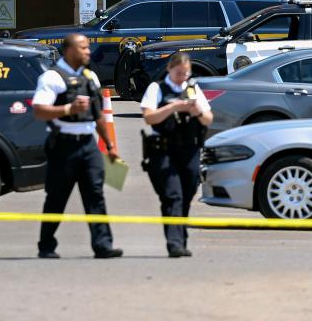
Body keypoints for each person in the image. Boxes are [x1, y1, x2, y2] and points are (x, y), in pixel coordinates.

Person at [33, 33, 123, 259]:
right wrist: (67, 110)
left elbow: (98, 114)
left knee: (95, 195)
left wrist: (110, 145)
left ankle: (102, 245)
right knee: (57, 196)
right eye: (83, 48)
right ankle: (46, 245)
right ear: (70, 50)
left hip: (89, 145)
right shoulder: (52, 78)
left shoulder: (90, 76)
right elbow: (39, 110)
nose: (88, 52)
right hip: (63, 146)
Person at [140, 52, 213, 258]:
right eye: (179, 73)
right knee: (173, 195)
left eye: (186, 73)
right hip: (163, 150)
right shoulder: (157, 89)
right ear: (170, 69)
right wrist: (174, 107)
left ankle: (180, 238)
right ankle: (175, 243)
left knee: (187, 194)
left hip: (189, 149)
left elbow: (208, 119)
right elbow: (149, 118)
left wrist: (195, 110)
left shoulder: (192, 89)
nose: (183, 77)